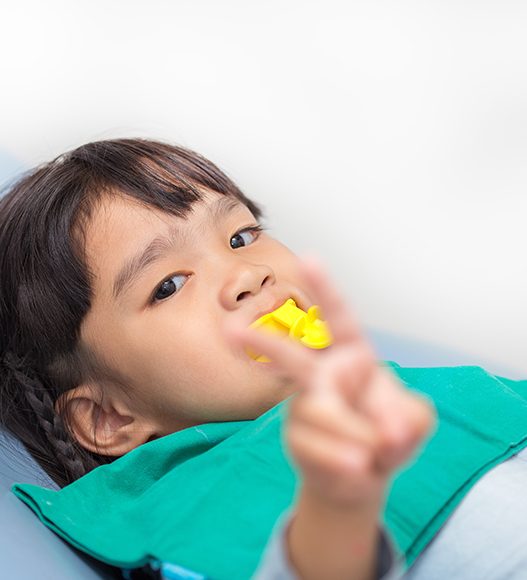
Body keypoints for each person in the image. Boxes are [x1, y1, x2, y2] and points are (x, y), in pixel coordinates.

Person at [0, 138, 434, 579]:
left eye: (241, 237)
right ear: (108, 417)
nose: (248, 274)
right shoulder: (195, 510)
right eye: (169, 285)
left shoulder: (407, 389)